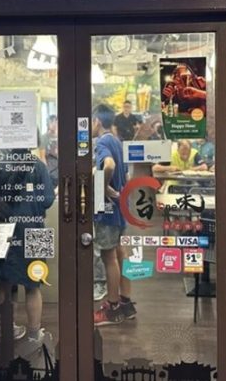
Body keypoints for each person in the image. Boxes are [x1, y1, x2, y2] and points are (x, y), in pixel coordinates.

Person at [0, 148, 56, 357]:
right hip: (36, 227)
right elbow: (47, 200)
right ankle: (34, 334)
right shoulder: (39, 165)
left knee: (4, 282)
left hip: (6, 229)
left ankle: (6, 328)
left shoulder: (1, 164)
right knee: (33, 285)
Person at [92, 103, 136, 325]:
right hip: (120, 207)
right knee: (121, 253)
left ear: (97, 121)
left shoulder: (102, 142)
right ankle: (126, 302)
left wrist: (102, 188)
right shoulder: (117, 141)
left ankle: (112, 307)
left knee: (109, 257)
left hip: (108, 209)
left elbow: (108, 165)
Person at [40, 114, 58, 184]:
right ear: (47, 124)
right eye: (51, 122)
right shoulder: (44, 137)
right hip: (51, 171)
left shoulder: (62, 136)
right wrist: (47, 172)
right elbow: (42, 157)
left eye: (55, 122)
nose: (54, 124)